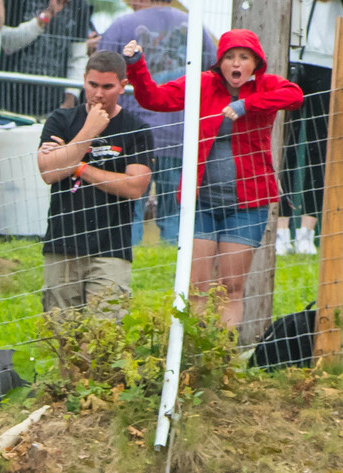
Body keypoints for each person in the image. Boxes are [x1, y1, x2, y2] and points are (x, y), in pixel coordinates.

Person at [123, 28, 302, 334]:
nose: (236, 63)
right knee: (197, 287)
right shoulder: (203, 84)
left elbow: (295, 96)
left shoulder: (267, 85)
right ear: (219, 63)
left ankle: (222, 358)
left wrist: (248, 105)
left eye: (243, 58)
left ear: (255, 63)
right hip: (200, 203)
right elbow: (154, 98)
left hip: (248, 205)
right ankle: (194, 356)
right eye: (229, 57)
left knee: (231, 287)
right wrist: (137, 65)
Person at [35, 49, 152, 315]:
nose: (99, 94)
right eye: (93, 85)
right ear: (84, 79)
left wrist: (78, 166)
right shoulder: (60, 120)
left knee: (103, 341)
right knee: (62, 337)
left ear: (123, 86)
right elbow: (49, 173)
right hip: (62, 242)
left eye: (108, 87)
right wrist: (89, 130)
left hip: (111, 247)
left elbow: (135, 187)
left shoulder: (136, 128)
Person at [94, 0, 213, 248]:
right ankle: (172, 264)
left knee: (128, 209)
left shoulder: (120, 26)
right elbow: (214, 70)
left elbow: (100, 75)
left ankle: (129, 259)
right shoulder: (194, 25)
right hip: (180, 133)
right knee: (175, 212)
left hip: (133, 135)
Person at [281, 0, 341, 257]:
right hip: (288, 53)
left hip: (326, 58)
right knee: (285, 146)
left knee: (320, 146)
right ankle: (281, 230)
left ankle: (307, 232)